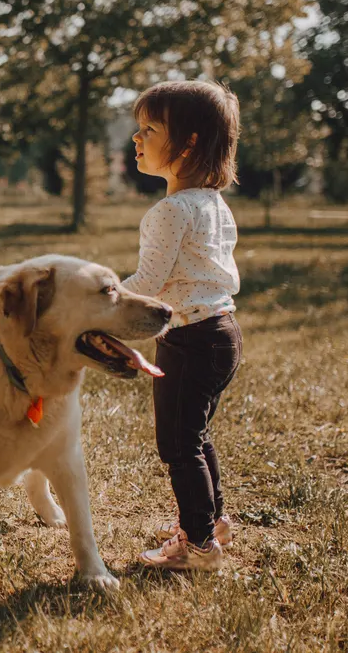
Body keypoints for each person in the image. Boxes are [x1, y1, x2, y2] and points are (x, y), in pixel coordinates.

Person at [121, 80, 242, 572]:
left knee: (178, 443)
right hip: (219, 333)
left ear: (189, 142)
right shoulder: (212, 203)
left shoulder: (169, 211)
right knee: (196, 434)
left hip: (191, 339)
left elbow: (149, 281)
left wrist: (100, 299)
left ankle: (196, 545)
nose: (137, 139)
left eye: (149, 129)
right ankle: (210, 522)